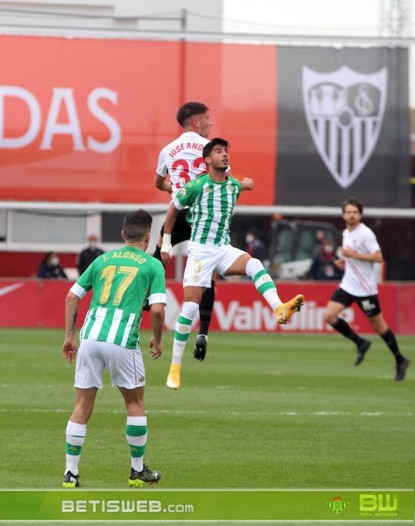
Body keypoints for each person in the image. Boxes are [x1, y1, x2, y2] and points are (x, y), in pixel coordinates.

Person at [160, 138, 305, 390]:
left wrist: (246, 184)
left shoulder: (232, 186)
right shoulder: (196, 186)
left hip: (223, 249)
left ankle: (279, 308)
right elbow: (173, 210)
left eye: (226, 151)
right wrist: (165, 242)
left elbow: (240, 184)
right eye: (218, 151)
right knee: (190, 310)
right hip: (200, 252)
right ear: (206, 160)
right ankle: (175, 367)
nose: (224, 155)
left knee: (255, 264)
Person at [61, 210, 166, 488]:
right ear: (148, 237)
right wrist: (157, 338)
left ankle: (70, 473)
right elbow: (156, 310)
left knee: (82, 405)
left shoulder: (101, 259)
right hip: (123, 342)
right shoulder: (153, 265)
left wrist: (70, 336)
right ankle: (137, 470)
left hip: (90, 338)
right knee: (134, 404)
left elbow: (72, 295)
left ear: (122, 235)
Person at [152, 102, 251, 362]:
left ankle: (147, 302)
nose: (210, 123)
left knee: (155, 259)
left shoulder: (167, 150)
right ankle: (204, 332)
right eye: (208, 119)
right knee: (208, 274)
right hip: (204, 212)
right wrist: (244, 185)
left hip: (179, 211)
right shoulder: (210, 149)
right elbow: (224, 181)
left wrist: (177, 191)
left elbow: (158, 183)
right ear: (196, 122)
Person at [324, 197, 410, 381]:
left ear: (360, 215)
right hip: (348, 284)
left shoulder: (366, 234)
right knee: (329, 316)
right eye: (348, 212)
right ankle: (360, 342)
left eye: (355, 212)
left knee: (378, 325)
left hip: (365, 288)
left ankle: (400, 359)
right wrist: (345, 261)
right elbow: (352, 256)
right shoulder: (347, 233)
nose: (352, 215)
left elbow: (378, 257)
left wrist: (353, 255)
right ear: (343, 215)